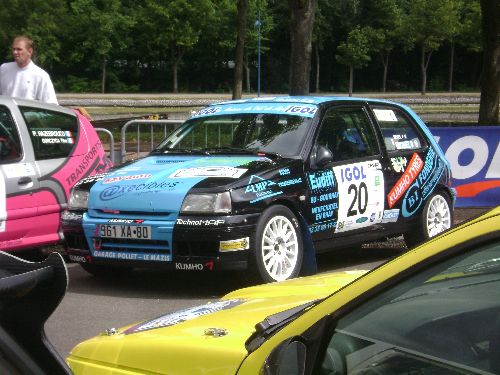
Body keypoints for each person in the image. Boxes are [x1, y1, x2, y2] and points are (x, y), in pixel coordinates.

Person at [0, 36, 58, 104]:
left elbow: (52, 104)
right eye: (13, 49)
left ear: (30, 51)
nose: (15, 52)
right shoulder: (4, 68)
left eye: (19, 49)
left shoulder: (41, 75)